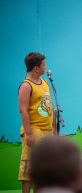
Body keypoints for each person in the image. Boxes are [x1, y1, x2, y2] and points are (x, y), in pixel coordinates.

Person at [18, 52, 56, 193]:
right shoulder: (26, 86)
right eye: (44, 65)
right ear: (36, 68)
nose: (46, 67)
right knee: (29, 170)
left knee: (42, 170)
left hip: (47, 132)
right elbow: (23, 110)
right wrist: (28, 133)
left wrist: (53, 129)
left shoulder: (44, 82)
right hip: (34, 130)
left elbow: (49, 106)